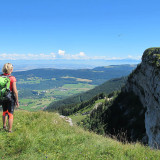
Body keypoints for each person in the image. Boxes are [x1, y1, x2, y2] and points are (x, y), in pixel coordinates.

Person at [1, 63, 19, 132]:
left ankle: (4, 126)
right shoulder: (12, 78)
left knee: (4, 112)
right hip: (10, 98)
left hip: (3, 97)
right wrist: (17, 100)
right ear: (11, 69)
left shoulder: (1, 77)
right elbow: (15, 91)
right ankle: (10, 130)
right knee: (10, 114)